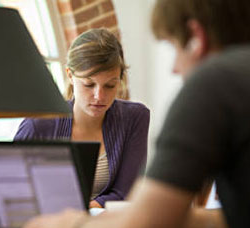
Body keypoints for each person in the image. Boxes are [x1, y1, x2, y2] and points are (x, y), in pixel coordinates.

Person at [19, 0, 250, 228]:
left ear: (196, 38)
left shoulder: (216, 83)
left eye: (174, 48)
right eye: (88, 84)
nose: (175, 68)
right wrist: (168, 216)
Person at [14, 28, 150, 209]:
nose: (99, 96)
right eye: (89, 84)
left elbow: (127, 192)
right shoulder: (37, 126)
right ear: (70, 75)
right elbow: (12, 192)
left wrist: (84, 214)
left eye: (110, 85)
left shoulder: (134, 118)